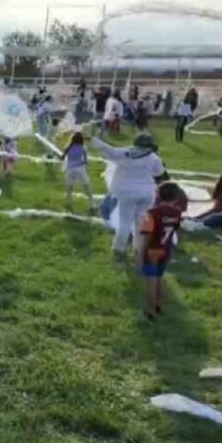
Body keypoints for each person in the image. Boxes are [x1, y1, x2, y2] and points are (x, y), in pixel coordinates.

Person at [92, 133, 165, 256]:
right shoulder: (153, 157)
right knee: (141, 222)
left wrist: (93, 139)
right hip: (147, 193)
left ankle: (119, 249)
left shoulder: (124, 153)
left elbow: (108, 150)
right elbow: (159, 174)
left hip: (127, 193)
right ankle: (138, 248)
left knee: (125, 221)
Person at [139, 183, 183, 320]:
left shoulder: (151, 213)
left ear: (158, 195)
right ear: (176, 197)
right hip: (166, 249)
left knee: (150, 282)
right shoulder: (177, 213)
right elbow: (177, 232)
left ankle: (150, 311)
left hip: (152, 249)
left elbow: (146, 235)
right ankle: (159, 305)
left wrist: (141, 254)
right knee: (159, 278)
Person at [61, 133, 94, 211]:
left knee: (69, 187)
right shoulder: (83, 148)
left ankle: (69, 203)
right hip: (80, 168)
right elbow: (85, 161)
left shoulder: (68, 147)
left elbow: (62, 157)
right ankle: (92, 203)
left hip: (70, 169)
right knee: (86, 185)